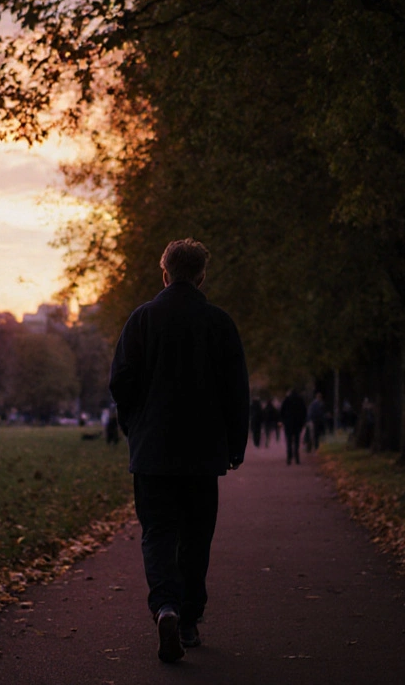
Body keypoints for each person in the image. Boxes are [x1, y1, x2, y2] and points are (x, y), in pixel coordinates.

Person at [108, 238, 249, 664]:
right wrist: (235, 444)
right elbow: (236, 391)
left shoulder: (142, 320)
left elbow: (121, 382)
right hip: (203, 451)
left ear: (164, 272)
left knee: (158, 533)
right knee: (196, 537)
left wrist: (133, 427)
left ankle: (164, 606)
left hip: (153, 450)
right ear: (202, 275)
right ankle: (188, 620)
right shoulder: (219, 323)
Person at [280, 389, 307, 465]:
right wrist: (302, 421)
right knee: (296, 441)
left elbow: (282, 411)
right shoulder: (300, 400)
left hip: (288, 423)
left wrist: (283, 420)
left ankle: (289, 457)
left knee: (289, 441)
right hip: (297, 424)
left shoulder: (287, 400)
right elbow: (304, 411)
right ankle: (297, 457)